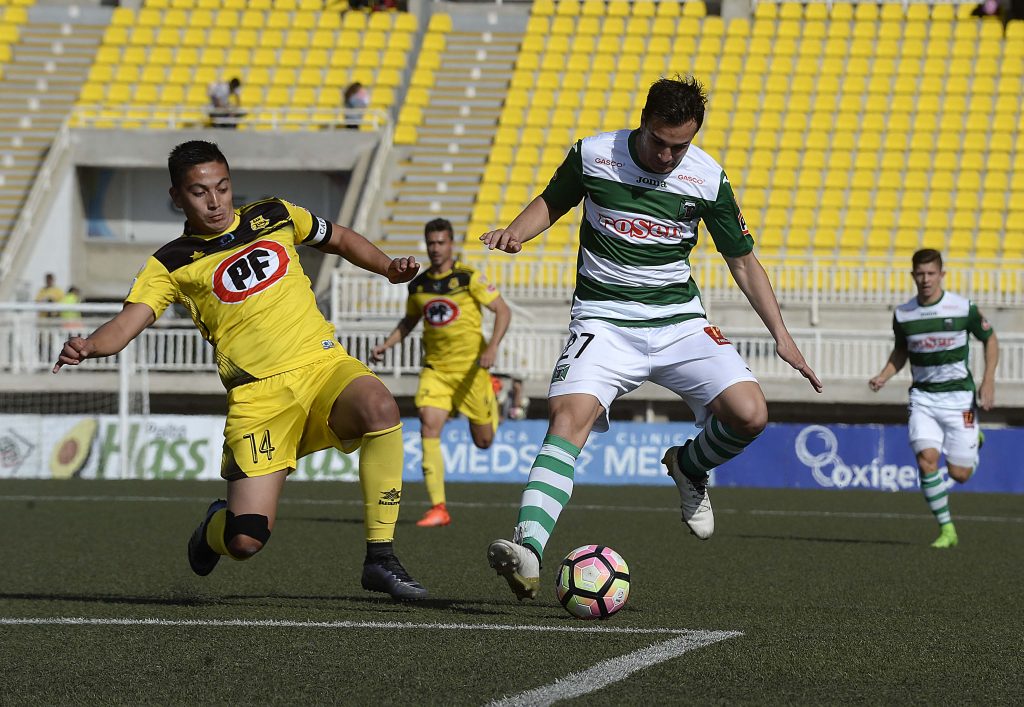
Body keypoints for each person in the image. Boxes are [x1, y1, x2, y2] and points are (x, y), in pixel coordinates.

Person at [480, 75, 823, 601]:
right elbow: (552, 201)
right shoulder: (595, 154)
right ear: (642, 123)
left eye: (679, 146)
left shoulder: (707, 178)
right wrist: (515, 232)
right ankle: (528, 549)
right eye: (659, 142)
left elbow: (743, 261)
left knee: (751, 414)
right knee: (569, 417)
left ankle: (688, 465)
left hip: (678, 320)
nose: (667, 157)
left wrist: (782, 336)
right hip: (603, 319)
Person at [53, 140, 428, 600]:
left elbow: (341, 238)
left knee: (380, 406)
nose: (214, 201)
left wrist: (388, 267)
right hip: (259, 398)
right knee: (245, 541)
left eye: (222, 187)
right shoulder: (169, 263)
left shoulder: (274, 214)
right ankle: (212, 530)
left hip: (322, 365)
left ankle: (380, 556)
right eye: (199, 192)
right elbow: (129, 323)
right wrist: (90, 345)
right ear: (177, 197)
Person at [371, 218, 511, 527]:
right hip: (436, 370)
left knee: (484, 442)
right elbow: (409, 321)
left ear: (451, 244)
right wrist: (387, 345)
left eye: (441, 243)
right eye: (431, 243)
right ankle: (438, 508)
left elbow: (503, 310)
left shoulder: (467, 278)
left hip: (472, 371)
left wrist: (492, 348)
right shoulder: (418, 285)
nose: (435, 249)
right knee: (428, 425)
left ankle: (493, 391)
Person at [869, 248, 998, 549]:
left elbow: (990, 339)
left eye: (931, 273)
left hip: (961, 401)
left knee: (960, 474)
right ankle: (947, 529)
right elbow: (901, 351)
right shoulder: (904, 314)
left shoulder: (962, 308)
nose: (926, 279)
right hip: (923, 400)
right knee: (927, 461)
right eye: (920, 274)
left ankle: (974, 438)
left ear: (942, 274)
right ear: (913, 275)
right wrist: (884, 375)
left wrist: (988, 380)